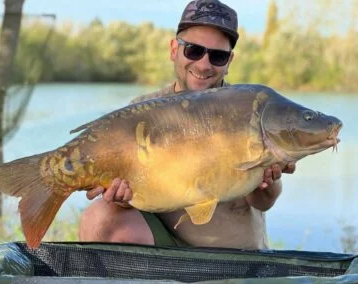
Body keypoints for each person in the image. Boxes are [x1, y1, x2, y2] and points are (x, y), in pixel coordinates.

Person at [79, 0, 295, 249]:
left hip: (235, 255)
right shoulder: (142, 109)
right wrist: (122, 197)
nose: (204, 64)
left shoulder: (246, 109)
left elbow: (264, 202)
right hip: (165, 248)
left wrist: (267, 181)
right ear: (174, 49)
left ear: (229, 62)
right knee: (100, 217)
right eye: (193, 50)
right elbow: (130, 196)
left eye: (218, 56)